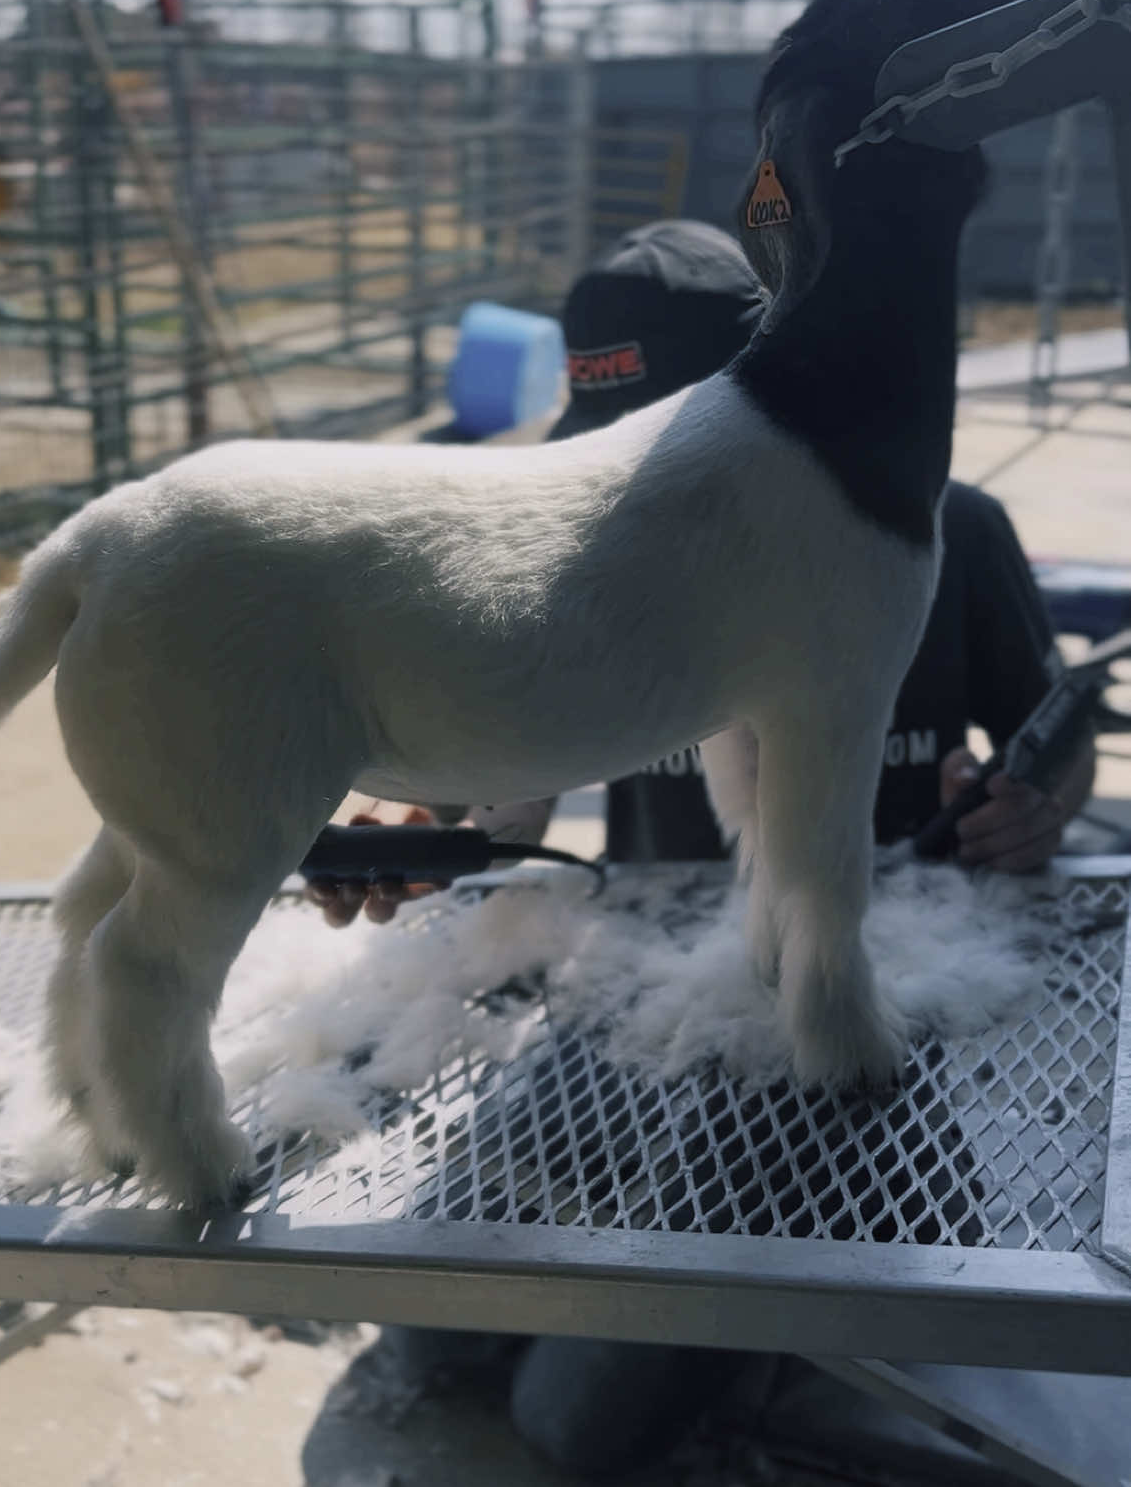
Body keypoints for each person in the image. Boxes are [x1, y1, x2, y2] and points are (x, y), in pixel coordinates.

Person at [304, 220, 1097, 1479]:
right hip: (645, 988)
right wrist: (434, 819)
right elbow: (507, 775)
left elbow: (1056, 736)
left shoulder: (946, 531)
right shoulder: (588, 554)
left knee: (574, 1423)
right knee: (428, 1347)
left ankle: (769, 1378)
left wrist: (1032, 804)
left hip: (854, 1004)